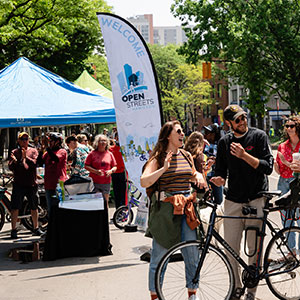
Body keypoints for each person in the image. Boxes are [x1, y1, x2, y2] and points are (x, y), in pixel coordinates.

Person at [210, 105, 274, 300]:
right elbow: (220, 171)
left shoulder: (259, 136)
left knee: (253, 250)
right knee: (230, 248)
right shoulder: (224, 142)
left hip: (256, 198)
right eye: (237, 119)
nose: (243, 121)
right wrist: (219, 179)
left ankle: (251, 292)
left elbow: (268, 167)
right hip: (233, 201)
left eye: (244, 117)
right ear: (229, 124)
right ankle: (237, 287)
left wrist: (244, 155)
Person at [140, 120, 206, 300]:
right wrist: (164, 168)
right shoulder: (158, 158)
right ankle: (155, 295)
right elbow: (144, 181)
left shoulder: (186, 155)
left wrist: (199, 175)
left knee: (192, 254)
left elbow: (192, 175)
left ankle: (192, 293)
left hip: (187, 210)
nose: (182, 134)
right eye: (178, 131)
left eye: (182, 131)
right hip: (165, 214)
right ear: (168, 135)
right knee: (160, 257)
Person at [8, 132, 44, 239]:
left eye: (26, 139)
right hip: (19, 183)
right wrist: (15, 161)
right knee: (15, 207)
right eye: (22, 139)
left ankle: (36, 227)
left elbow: (34, 164)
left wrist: (25, 157)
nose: (24, 141)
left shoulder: (33, 151)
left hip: (31, 183)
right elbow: (11, 167)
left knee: (34, 206)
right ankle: (13, 229)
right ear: (18, 141)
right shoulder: (14, 152)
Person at [274, 116, 300, 254]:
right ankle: (292, 252)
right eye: (287, 126)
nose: (288, 128)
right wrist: (277, 166)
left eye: (291, 126)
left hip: (298, 182)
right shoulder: (282, 146)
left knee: (299, 217)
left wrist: (285, 162)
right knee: (286, 218)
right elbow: (279, 169)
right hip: (283, 182)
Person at [39, 132, 67, 215]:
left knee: (61, 207)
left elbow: (56, 159)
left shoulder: (62, 151)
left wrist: (47, 148)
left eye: (51, 141)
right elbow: (39, 162)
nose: (49, 143)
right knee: (51, 209)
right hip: (48, 184)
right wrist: (41, 150)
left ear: (57, 142)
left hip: (59, 184)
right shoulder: (47, 153)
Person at [85, 134, 117, 207]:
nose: (103, 142)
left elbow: (115, 166)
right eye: (101, 141)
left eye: (105, 141)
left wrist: (111, 171)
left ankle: (106, 218)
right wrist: (96, 171)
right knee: (95, 203)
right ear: (97, 142)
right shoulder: (92, 154)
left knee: (105, 203)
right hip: (94, 182)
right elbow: (86, 166)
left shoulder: (110, 154)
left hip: (106, 182)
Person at [203, 123, 223, 204]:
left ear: (213, 134)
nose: (205, 134)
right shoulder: (203, 144)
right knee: (206, 200)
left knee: (219, 200)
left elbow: (225, 159)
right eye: (205, 132)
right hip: (205, 175)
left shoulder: (221, 144)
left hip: (216, 175)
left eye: (208, 132)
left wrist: (215, 160)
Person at [109, 133, 127, 209]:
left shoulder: (125, 148)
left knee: (123, 192)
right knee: (116, 193)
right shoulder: (110, 149)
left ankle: (123, 210)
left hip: (123, 172)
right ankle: (118, 210)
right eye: (118, 137)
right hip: (114, 173)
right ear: (115, 138)